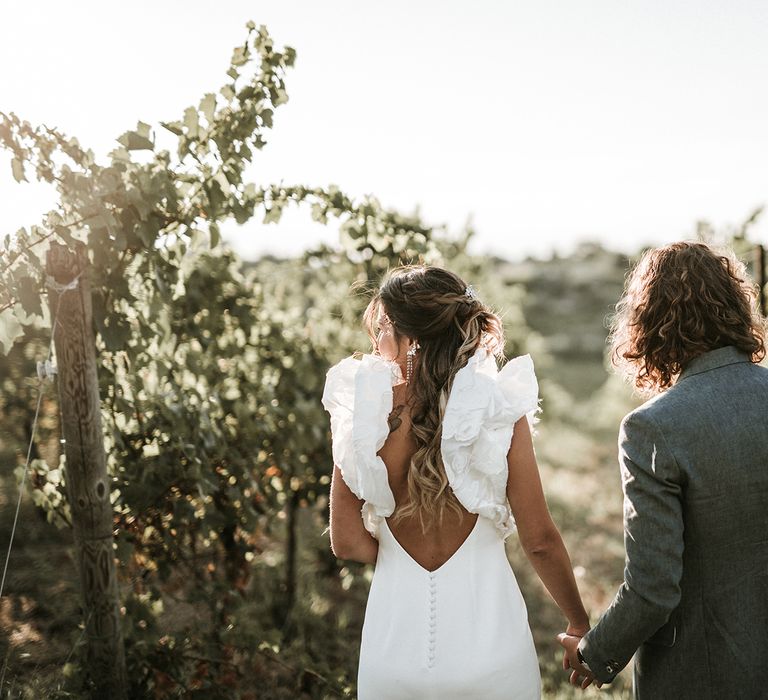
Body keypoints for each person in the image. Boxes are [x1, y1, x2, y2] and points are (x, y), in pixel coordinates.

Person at [321, 264, 590, 699]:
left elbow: (347, 542)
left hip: (393, 655)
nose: (376, 342)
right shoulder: (498, 409)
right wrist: (578, 622)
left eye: (383, 327)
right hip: (492, 654)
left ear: (408, 340)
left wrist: (396, 555)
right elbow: (538, 539)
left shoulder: (363, 416)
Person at [558, 241, 768, 698]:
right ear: (735, 306)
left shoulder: (653, 427)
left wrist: (594, 652)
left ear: (651, 323)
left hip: (704, 676)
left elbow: (653, 589)